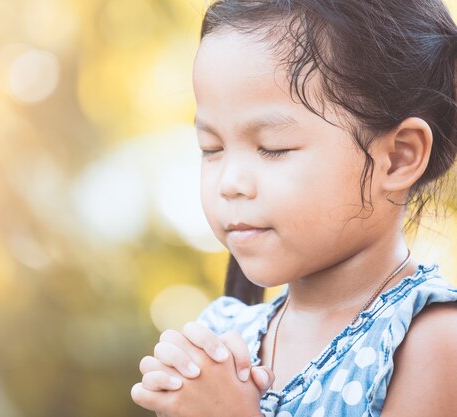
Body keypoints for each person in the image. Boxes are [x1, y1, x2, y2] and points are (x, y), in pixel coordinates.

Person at [131, 1, 457, 416]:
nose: (229, 182)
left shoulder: (431, 341)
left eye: (273, 149)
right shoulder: (224, 339)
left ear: (398, 157)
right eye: (211, 149)